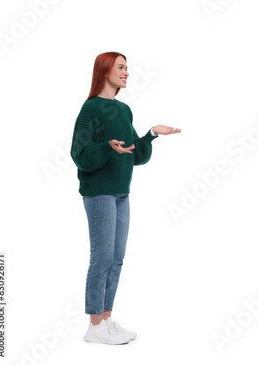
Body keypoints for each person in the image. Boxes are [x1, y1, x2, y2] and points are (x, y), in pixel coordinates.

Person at [70, 52, 181, 345]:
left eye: (127, 68)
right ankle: (94, 325)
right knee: (102, 258)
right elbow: (79, 155)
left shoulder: (124, 110)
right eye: (121, 67)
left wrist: (152, 134)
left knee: (117, 260)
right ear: (105, 71)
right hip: (99, 193)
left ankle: (106, 319)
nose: (127, 73)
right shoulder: (90, 109)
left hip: (122, 193)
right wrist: (107, 147)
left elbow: (136, 154)